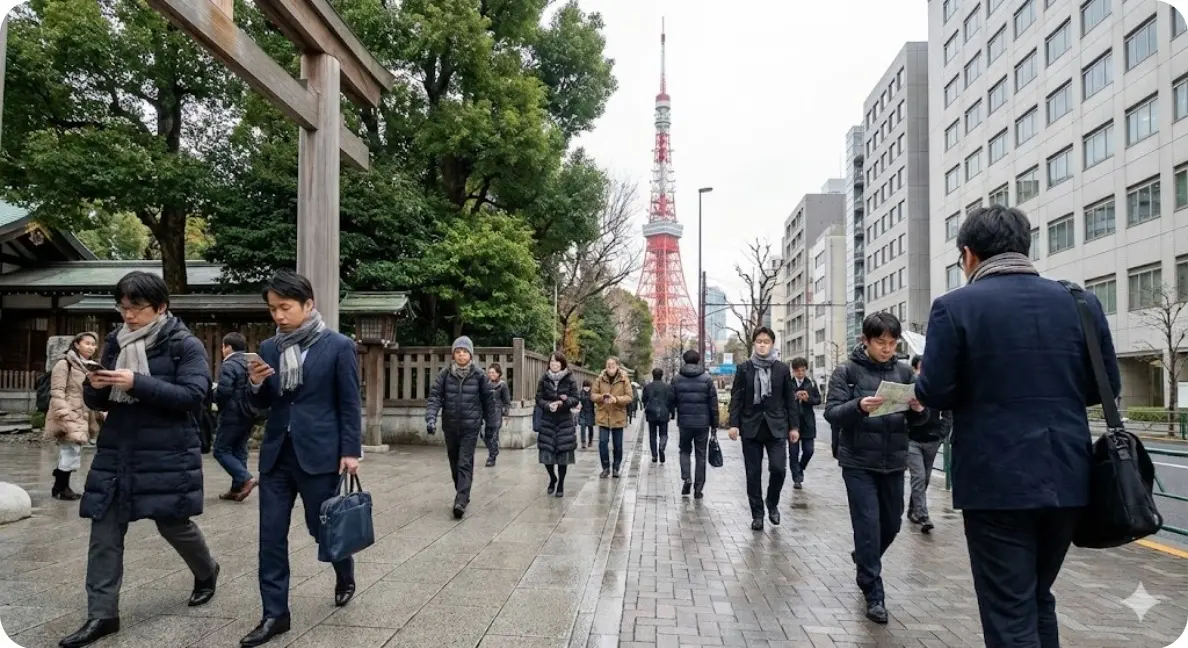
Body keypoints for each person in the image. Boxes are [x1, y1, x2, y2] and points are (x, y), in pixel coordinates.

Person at [915, 205, 1120, 648]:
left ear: (968, 255)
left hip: (995, 481)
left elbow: (934, 392)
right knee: (1036, 597)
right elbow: (1104, 387)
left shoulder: (955, 307)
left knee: (1008, 609)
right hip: (1068, 476)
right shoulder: (1080, 302)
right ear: (1025, 247)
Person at [61, 272, 219, 648]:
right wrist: (95, 388)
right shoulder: (115, 341)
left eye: (137, 308)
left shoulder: (185, 344)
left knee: (173, 524)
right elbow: (102, 400)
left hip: (167, 451)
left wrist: (136, 383)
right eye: (123, 307)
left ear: (161, 307)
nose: (128, 316)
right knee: (104, 531)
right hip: (118, 450)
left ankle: (207, 570)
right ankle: (102, 615)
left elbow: (193, 396)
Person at [241, 270, 362, 647]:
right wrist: (257, 384)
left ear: (308, 305)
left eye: (285, 307)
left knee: (322, 528)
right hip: (277, 454)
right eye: (272, 309)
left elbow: (348, 402)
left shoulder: (338, 346)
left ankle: (344, 571)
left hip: (320, 453)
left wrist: (350, 451)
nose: (278, 316)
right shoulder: (269, 348)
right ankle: (274, 614)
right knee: (270, 537)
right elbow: (261, 405)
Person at [824, 312, 928, 625]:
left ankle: (865, 559)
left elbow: (919, 422)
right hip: (858, 461)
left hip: (894, 461)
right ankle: (873, 592)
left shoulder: (904, 372)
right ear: (866, 341)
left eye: (892, 342)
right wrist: (858, 406)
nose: (886, 348)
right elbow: (832, 412)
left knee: (892, 525)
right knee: (868, 526)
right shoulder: (847, 371)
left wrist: (920, 409)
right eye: (880, 342)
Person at [727, 327, 799, 530]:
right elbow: (737, 397)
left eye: (766, 341)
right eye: (759, 341)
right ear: (754, 344)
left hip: (776, 426)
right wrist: (734, 424)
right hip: (751, 427)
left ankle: (772, 503)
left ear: (772, 344)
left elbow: (790, 400)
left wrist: (794, 427)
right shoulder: (744, 368)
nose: (762, 344)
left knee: (778, 469)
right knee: (753, 473)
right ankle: (757, 514)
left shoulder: (782, 369)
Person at [425, 336, 500, 518]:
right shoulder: (445, 374)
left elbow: (489, 402)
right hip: (450, 425)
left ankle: (461, 500)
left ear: (470, 355)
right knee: (454, 461)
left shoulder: (479, 375)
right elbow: (435, 397)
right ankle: (462, 491)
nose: (461, 355)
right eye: (458, 352)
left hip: (471, 426)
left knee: (465, 462)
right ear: (453, 355)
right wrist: (431, 418)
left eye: (464, 352)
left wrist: (491, 426)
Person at [45, 331, 101, 501]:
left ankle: (59, 486)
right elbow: (57, 390)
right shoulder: (64, 364)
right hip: (68, 411)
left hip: (84, 413)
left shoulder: (90, 365)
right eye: (87, 343)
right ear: (77, 344)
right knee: (71, 449)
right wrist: (62, 411)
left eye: (93, 344)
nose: (91, 347)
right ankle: (63, 488)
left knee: (72, 450)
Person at [906, 356, 949, 534]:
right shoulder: (910, 388)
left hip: (932, 440)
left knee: (925, 479)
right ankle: (924, 516)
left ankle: (913, 510)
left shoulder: (940, 388)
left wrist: (941, 433)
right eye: (921, 368)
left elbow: (948, 414)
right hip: (913, 440)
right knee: (918, 477)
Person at [213, 332, 257, 501]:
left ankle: (246, 478)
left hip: (232, 413)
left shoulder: (229, 364)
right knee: (239, 449)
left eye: (223, 346)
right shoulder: (249, 362)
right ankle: (237, 487)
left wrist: (217, 400)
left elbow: (224, 391)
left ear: (228, 347)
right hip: (249, 413)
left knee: (220, 450)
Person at [671, 350, 718, 499]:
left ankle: (687, 478)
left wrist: (674, 413)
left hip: (685, 422)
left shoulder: (677, 379)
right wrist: (714, 425)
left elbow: (672, 400)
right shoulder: (707, 379)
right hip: (702, 423)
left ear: (684, 360)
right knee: (701, 455)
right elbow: (713, 404)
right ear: (698, 360)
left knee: (684, 451)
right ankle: (698, 488)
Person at [535, 353, 579, 497]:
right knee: (547, 454)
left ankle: (560, 483)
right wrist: (548, 405)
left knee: (563, 456)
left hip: (564, 421)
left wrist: (564, 402)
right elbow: (539, 398)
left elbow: (576, 398)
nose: (554, 364)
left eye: (557, 362)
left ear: (562, 363)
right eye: (552, 361)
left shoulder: (570, 379)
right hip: (548, 421)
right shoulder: (544, 378)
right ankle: (552, 478)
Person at [593, 356, 632, 478]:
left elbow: (629, 397)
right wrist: (601, 397)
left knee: (618, 445)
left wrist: (616, 399)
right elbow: (593, 395)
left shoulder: (624, 379)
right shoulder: (600, 379)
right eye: (608, 365)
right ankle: (605, 468)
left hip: (618, 415)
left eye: (613, 365)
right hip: (603, 414)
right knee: (603, 443)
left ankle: (616, 467)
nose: (610, 368)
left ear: (617, 366)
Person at [788, 356, 821, 490]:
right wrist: (795, 397)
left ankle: (800, 468)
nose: (800, 373)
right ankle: (797, 478)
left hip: (808, 422)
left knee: (809, 450)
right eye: (797, 371)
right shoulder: (788, 383)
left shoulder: (811, 383)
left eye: (802, 370)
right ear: (793, 371)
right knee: (793, 452)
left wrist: (808, 399)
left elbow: (818, 400)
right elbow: (783, 401)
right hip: (792, 423)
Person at [641, 368, 675, 463]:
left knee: (652, 435)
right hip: (664, 413)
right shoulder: (668, 387)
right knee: (663, 434)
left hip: (651, 413)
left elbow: (644, 399)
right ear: (662, 375)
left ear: (653, 375)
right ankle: (662, 446)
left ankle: (654, 455)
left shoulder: (648, 387)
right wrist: (672, 413)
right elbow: (672, 400)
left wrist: (646, 408)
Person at [484, 362, 511, 467]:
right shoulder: (485, 384)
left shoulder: (502, 385)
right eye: (489, 372)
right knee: (485, 435)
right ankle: (494, 450)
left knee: (494, 435)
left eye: (493, 373)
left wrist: (506, 413)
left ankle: (492, 457)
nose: (491, 374)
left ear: (499, 373)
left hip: (497, 412)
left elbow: (507, 401)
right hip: (486, 412)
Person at [578, 380, 596, 449]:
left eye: (587, 387)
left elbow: (593, 399)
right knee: (583, 426)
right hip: (583, 412)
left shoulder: (592, 392)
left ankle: (590, 441)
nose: (586, 388)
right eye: (585, 387)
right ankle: (583, 442)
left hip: (591, 412)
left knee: (590, 427)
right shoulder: (581, 392)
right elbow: (581, 398)